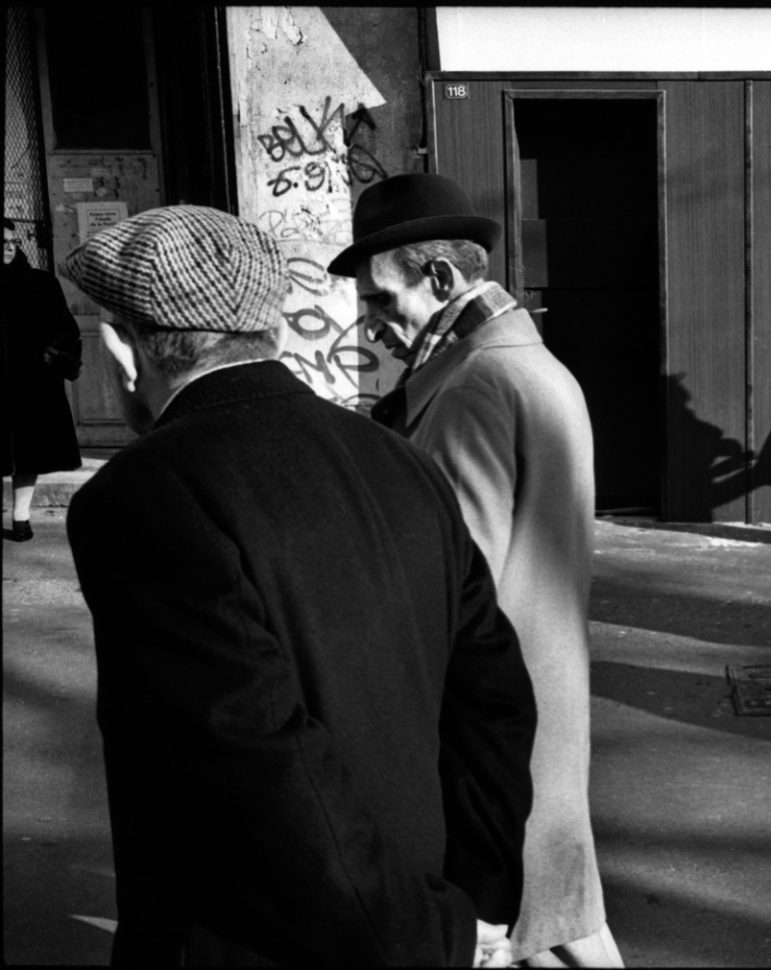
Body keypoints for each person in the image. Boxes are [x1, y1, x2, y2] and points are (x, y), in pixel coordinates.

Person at [61, 205, 537, 966]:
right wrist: (475, 903)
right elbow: (493, 697)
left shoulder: (140, 495)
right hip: (420, 894)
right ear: (267, 327)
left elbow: (248, 757)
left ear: (122, 348)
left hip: (269, 934)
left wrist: (416, 936)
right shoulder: (396, 457)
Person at [330, 173, 623, 968]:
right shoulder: (526, 364)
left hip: (489, 706)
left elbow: (450, 579)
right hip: (540, 683)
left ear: (442, 278)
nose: (376, 326)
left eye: (384, 301)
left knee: (510, 915)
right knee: (556, 907)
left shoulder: (474, 384)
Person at [3, 216, 82, 542]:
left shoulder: (39, 282)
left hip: (30, 380)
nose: (10, 247)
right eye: (2, 243)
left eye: (13, 242)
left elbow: (65, 328)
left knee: (28, 451)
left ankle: (21, 517)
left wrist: (55, 357)